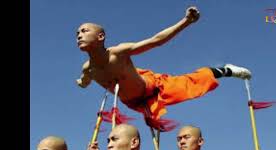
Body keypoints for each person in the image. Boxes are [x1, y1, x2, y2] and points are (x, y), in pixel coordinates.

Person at [76, 6, 252, 131]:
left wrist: (186, 21)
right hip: (135, 104)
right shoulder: (88, 69)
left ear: (100, 36)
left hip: (154, 88)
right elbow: (84, 81)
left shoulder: (118, 53)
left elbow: (156, 41)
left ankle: (225, 70)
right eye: (77, 33)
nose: (79, 35)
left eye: (84, 31)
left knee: (191, 82)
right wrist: (81, 83)